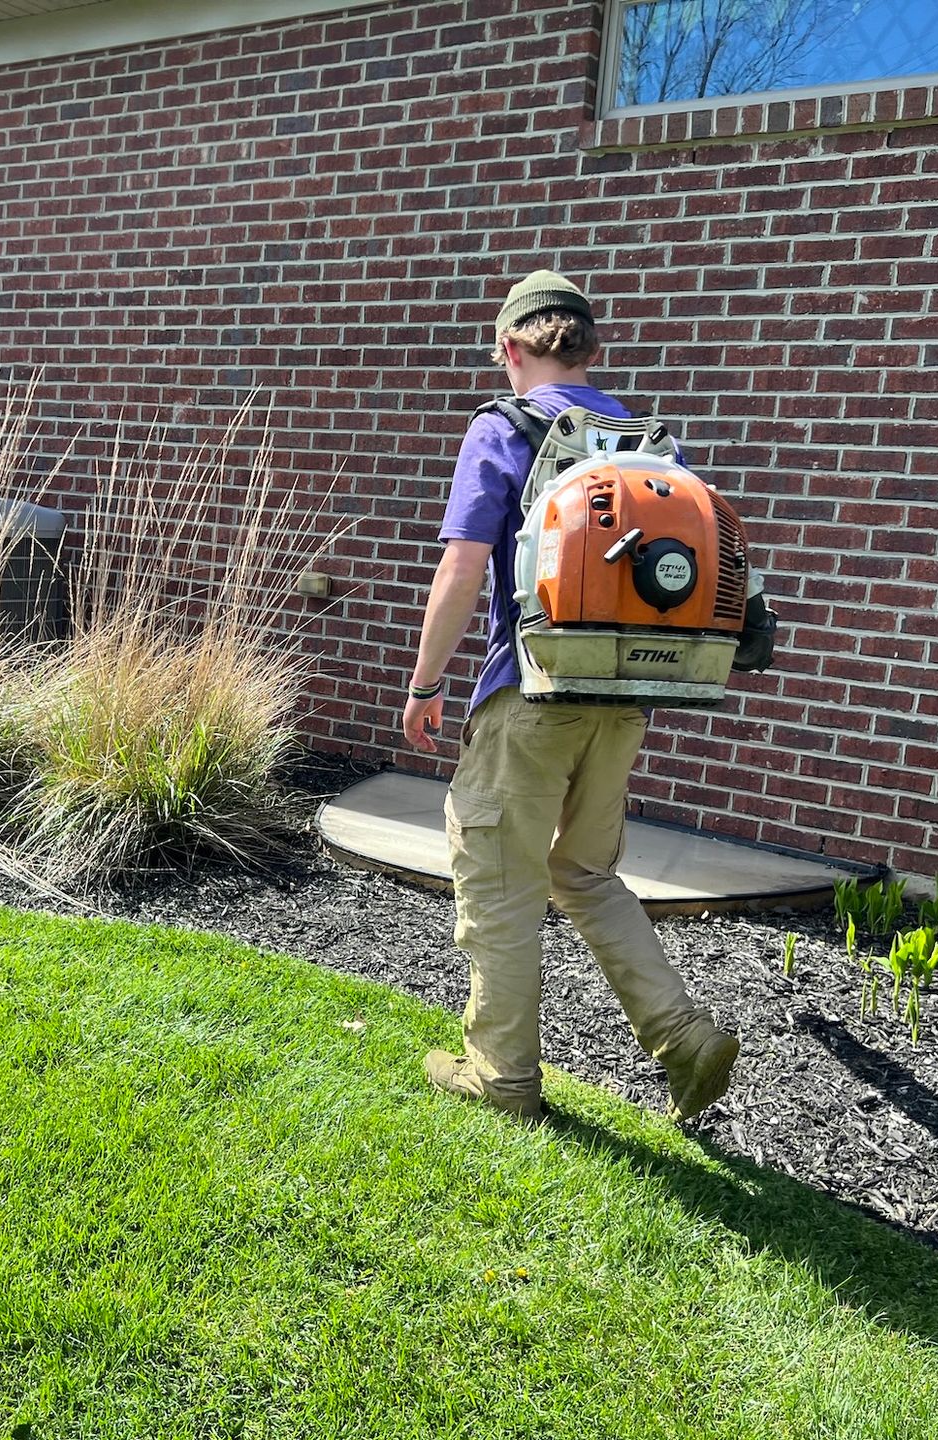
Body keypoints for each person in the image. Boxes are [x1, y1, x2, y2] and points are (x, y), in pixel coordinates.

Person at [400, 269, 740, 1124]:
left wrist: (427, 682)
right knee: (583, 871)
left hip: (530, 693)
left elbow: (463, 566)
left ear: (511, 351)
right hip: (627, 695)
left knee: (500, 879)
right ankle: (686, 1037)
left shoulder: (502, 428)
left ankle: (501, 1075)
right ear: (594, 352)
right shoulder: (649, 442)